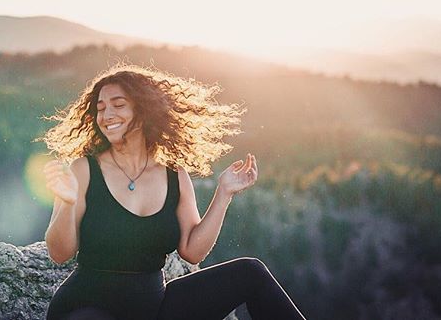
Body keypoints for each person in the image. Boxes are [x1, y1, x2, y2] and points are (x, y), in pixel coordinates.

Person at [41, 65, 306, 320]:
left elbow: (192, 250)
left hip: (153, 308)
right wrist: (67, 203)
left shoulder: (173, 174)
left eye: (118, 105)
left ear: (143, 110)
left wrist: (224, 193)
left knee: (250, 273)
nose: (106, 114)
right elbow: (60, 253)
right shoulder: (84, 169)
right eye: (100, 108)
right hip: (86, 308)